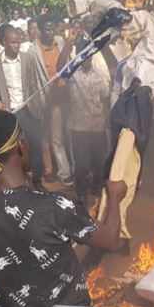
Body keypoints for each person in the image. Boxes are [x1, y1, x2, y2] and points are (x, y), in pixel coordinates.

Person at [0, 109, 126, 307]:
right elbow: (110, 240)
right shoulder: (54, 206)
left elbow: (29, 250)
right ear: (21, 146)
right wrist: (115, 197)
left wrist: (79, 221)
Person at [0, 27, 45, 191]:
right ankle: (21, 182)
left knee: (35, 145)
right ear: (4, 42)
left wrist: (38, 107)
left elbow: (33, 83)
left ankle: (38, 181)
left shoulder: (27, 59)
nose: (16, 45)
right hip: (9, 114)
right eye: (12, 42)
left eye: (18, 42)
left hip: (28, 110)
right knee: (15, 150)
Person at [25, 14, 73, 186]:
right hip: (45, 99)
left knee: (63, 135)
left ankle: (68, 168)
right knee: (49, 137)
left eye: (52, 28)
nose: (51, 32)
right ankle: (53, 170)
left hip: (64, 96)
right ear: (40, 30)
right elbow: (32, 78)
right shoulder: (33, 50)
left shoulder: (60, 42)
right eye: (47, 29)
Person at [65, 40, 111, 208]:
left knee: (100, 161)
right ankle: (82, 193)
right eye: (83, 55)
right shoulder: (72, 73)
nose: (87, 59)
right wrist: (68, 47)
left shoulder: (100, 74)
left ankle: (97, 190)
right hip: (78, 127)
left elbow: (105, 97)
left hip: (97, 125)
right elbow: (58, 67)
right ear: (78, 55)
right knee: (82, 164)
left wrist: (106, 121)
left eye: (89, 55)